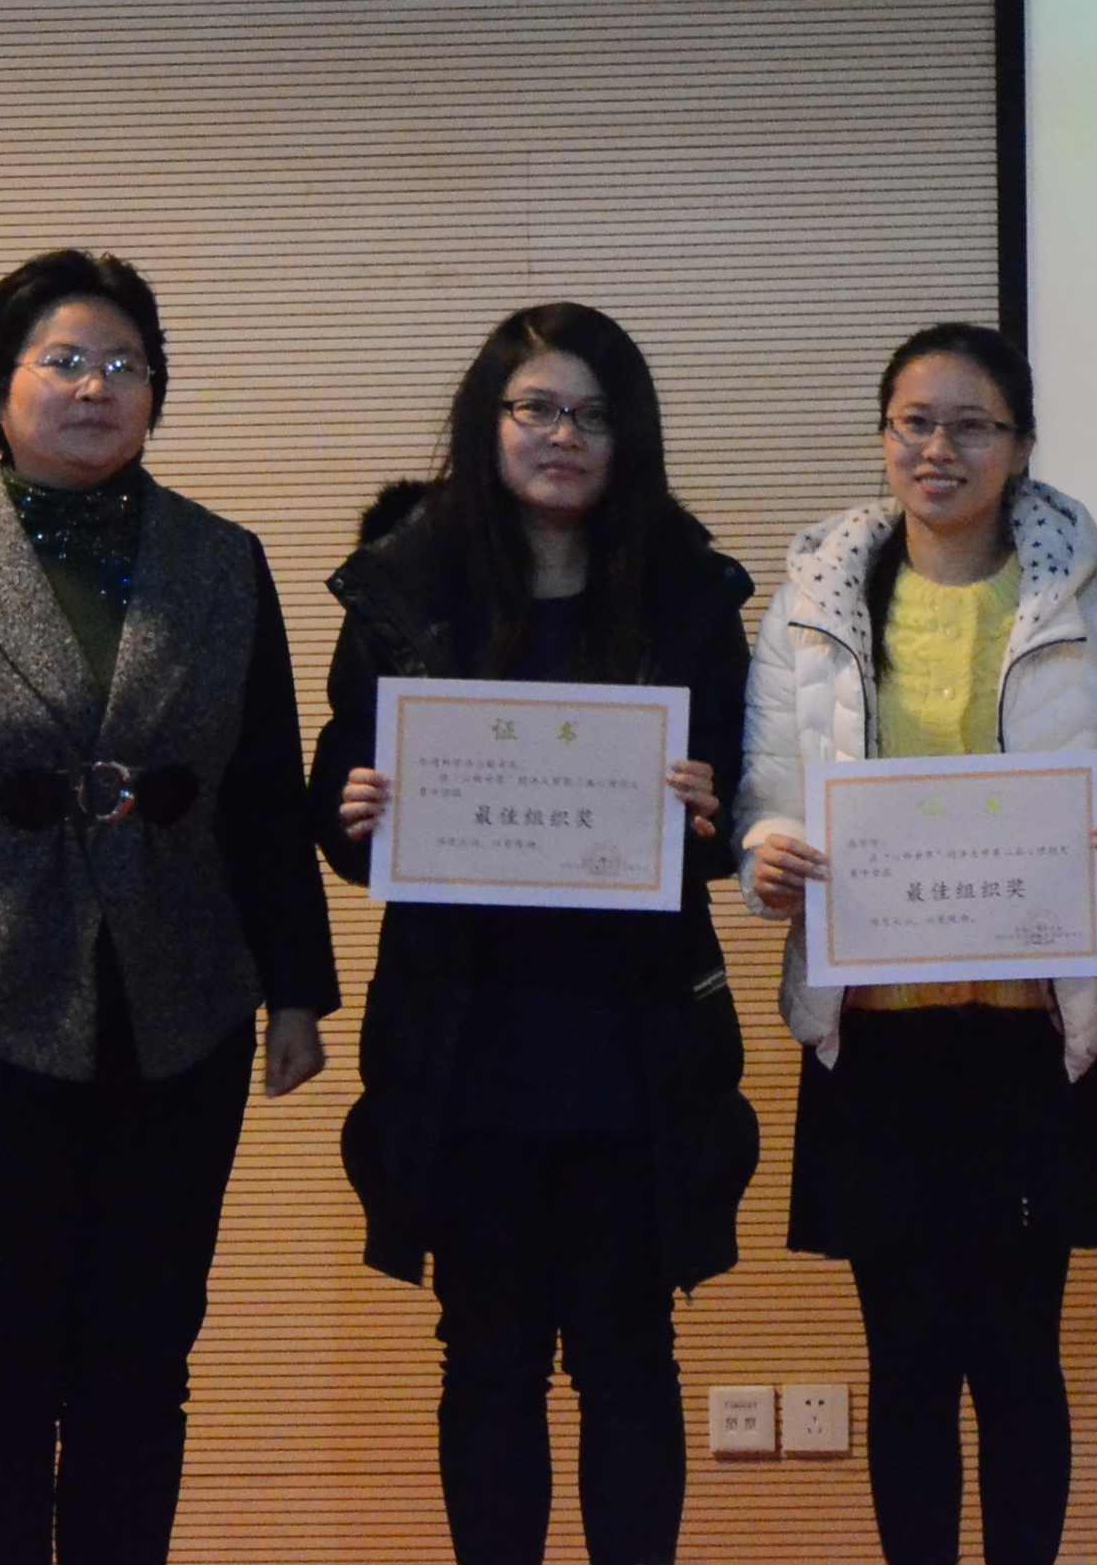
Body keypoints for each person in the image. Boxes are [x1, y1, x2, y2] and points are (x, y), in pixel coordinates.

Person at [0, 248, 339, 1565]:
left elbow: (264, 792)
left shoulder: (223, 562)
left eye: (125, 365)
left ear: (157, 392)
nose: (95, 388)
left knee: (142, 1360)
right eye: (63, 361)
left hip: (184, 1010)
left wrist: (297, 991)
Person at [314, 303, 760, 1565]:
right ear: (490, 422)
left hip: (634, 1041)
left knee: (630, 1355)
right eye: (538, 409)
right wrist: (353, 809)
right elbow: (338, 793)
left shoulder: (687, 593)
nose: (565, 436)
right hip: (468, 1041)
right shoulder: (404, 586)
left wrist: (712, 810)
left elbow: (740, 808)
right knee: (488, 1359)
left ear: (631, 437)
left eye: (595, 415)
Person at [736, 323, 1097, 1565]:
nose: (939, 449)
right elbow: (771, 791)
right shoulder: (813, 606)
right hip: (877, 1037)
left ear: (1021, 444)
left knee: (1021, 1357)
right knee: (908, 1363)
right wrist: (768, 851)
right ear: (884, 435)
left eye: (972, 425)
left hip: (1030, 1030)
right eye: (914, 423)